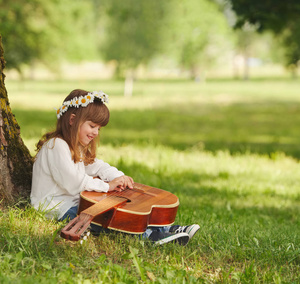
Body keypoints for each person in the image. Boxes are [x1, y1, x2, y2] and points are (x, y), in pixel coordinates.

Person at [30, 89, 200, 245]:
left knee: (115, 209)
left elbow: (96, 166)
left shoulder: (75, 146)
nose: (96, 132)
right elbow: (72, 182)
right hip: (57, 207)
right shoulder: (56, 145)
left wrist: (117, 176)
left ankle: (166, 229)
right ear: (73, 120)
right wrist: (106, 186)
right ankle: (151, 236)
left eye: (99, 128)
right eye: (92, 126)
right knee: (107, 219)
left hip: (74, 201)